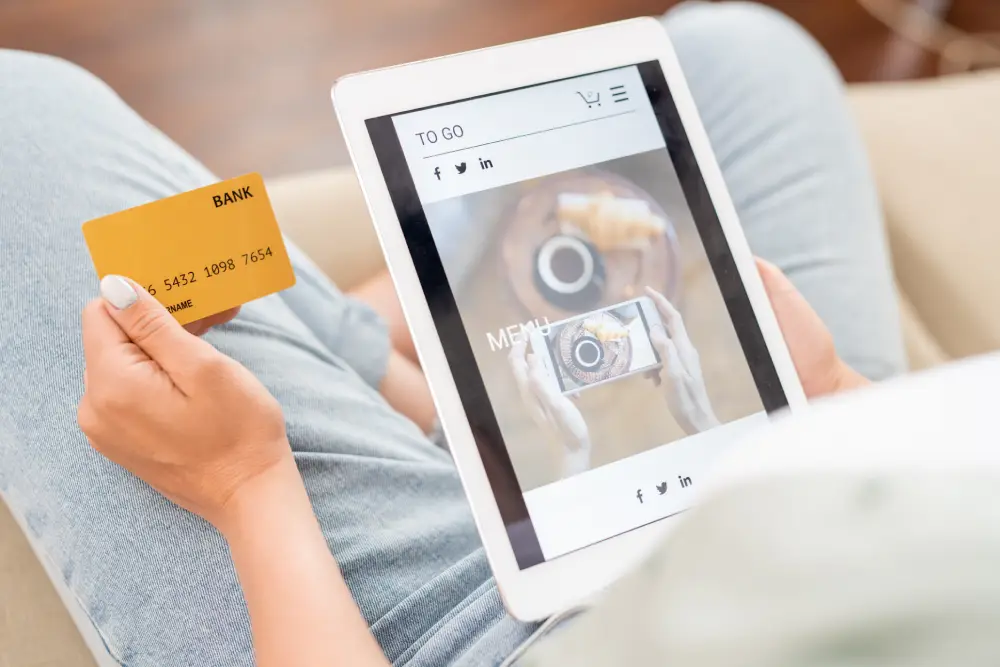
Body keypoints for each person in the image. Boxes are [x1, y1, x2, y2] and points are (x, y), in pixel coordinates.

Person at [0, 3, 906, 666]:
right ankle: (406, 357)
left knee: (17, 117)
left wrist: (245, 483)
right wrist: (830, 398)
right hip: (827, 536)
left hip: (470, 639)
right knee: (740, 51)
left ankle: (396, 326)